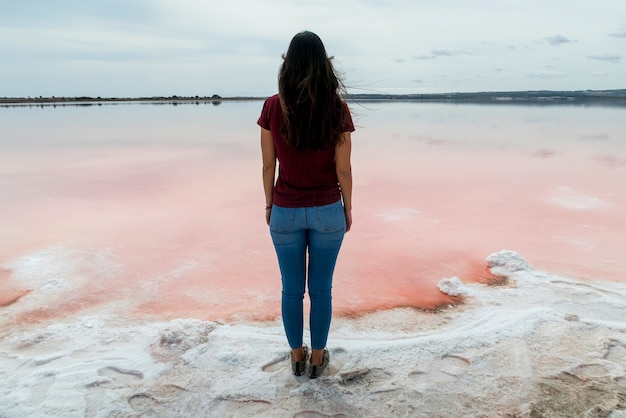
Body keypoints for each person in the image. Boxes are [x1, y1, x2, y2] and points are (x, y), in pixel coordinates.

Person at [257, 31, 354, 379]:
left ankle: (296, 357)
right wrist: (348, 207)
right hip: (328, 207)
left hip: (285, 209)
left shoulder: (272, 105)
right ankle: (317, 360)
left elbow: (269, 166)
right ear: (323, 65)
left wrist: (270, 204)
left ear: (288, 64)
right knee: (321, 290)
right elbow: (343, 167)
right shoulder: (337, 108)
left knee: (292, 289)